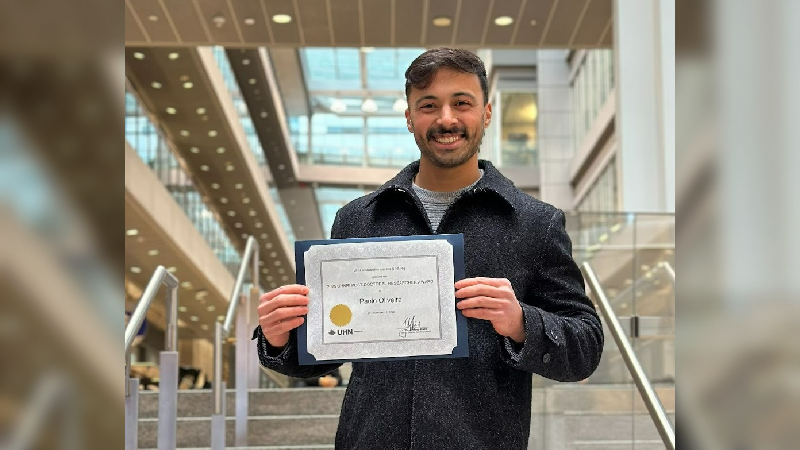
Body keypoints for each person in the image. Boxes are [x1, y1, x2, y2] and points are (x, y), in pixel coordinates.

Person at [252, 48, 603, 450]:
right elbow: (328, 349)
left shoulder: (534, 224)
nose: (446, 119)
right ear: (409, 118)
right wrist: (280, 336)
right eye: (428, 105)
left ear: (486, 113)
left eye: (462, 103)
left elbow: (586, 347)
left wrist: (521, 322)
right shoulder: (357, 220)